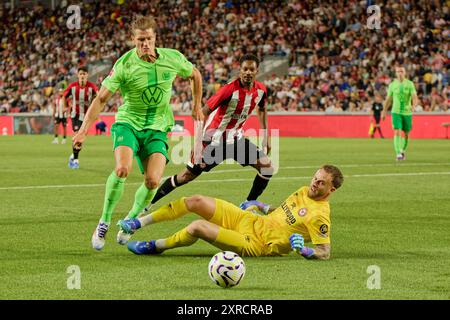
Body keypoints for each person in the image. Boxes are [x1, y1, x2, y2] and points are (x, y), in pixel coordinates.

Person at [72, 15, 204, 250]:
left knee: (153, 181)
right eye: (140, 40)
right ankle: (104, 220)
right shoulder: (124, 64)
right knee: (122, 169)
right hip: (128, 124)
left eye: (149, 39)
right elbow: (101, 99)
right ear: (133, 39)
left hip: (158, 128)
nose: (145, 44)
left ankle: (128, 222)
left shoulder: (172, 58)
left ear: (155, 38)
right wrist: (83, 130)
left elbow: (195, 74)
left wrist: (196, 105)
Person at [130, 54, 274, 246]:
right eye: (244, 69)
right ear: (240, 70)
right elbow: (203, 112)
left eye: (251, 69)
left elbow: (262, 109)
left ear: (257, 71)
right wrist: (198, 144)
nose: (247, 73)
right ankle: (147, 203)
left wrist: (266, 134)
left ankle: (248, 204)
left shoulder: (261, 91)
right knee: (186, 176)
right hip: (213, 141)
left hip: (236, 140)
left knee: (266, 168)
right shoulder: (228, 90)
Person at [118, 165, 343, 260]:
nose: (314, 183)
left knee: (196, 227)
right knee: (195, 201)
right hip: (251, 220)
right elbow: (283, 212)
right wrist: (263, 206)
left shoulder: (320, 215)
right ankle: (139, 222)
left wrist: (304, 249)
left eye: (321, 183)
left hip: (257, 243)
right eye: (315, 178)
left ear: (331, 190)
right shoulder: (304, 191)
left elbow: (324, 251)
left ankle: (156, 247)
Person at [63, 67, 99, 168]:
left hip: (86, 116)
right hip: (75, 115)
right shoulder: (72, 86)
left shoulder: (92, 87)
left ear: (87, 75)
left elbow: (99, 98)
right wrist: (65, 107)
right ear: (78, 75)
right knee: (78, 136)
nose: (82, 76)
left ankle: (73, 155)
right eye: (81, 74)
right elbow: (64, 96)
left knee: (80, 139)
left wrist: (96, 112)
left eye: (84, 74)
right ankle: (76, 160)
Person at [381, 66, 418, 161]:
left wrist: (414, 106)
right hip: (396, 112)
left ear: (405, 73)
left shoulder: (410, 84)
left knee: (406, 134)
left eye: (401, 71)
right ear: (396, 73)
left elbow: (414, 97)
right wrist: (384, 111)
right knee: (397, 131)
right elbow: (388, 99)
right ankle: (398, 153)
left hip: (407, 112)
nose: (400, 73)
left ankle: (402, 150)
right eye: (398, 71)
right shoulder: (392, 85)